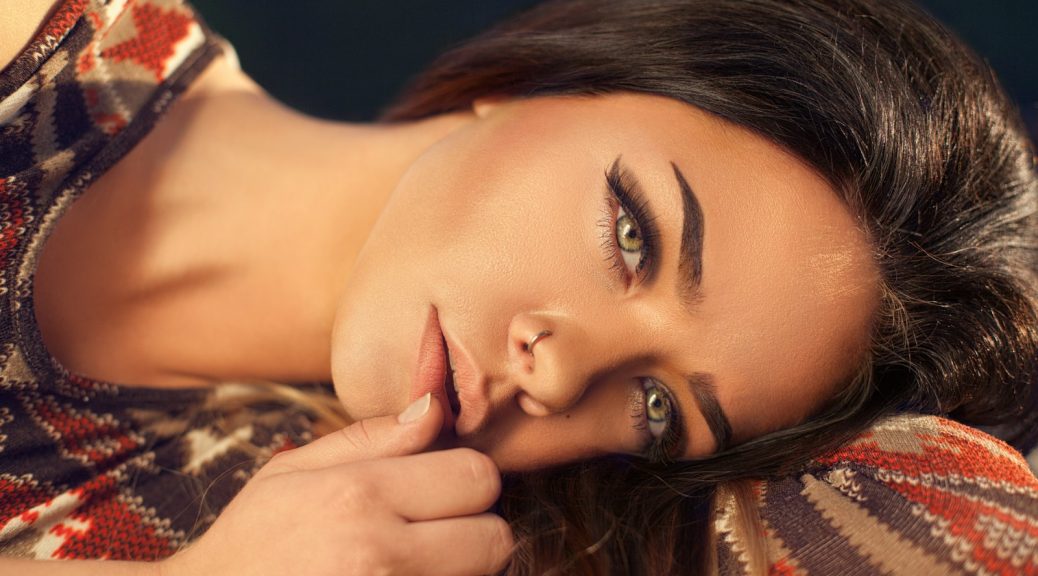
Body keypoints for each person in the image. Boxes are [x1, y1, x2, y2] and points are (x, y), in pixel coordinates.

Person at [1, 0, 1036, 574]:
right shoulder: (42, 40)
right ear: (546, 80)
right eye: (633, 234)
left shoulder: (318, 546)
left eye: (658, 405)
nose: (565, 369)